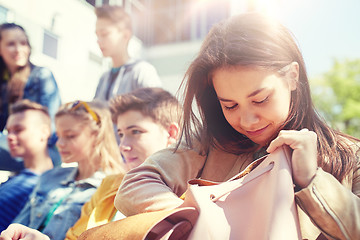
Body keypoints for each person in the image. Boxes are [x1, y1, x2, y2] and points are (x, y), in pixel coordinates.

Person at [114, 13, 360, 240]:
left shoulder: (350, 155)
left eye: (260, 99)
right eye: (230, 106)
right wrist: (200, 219)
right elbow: (135, 185)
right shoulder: (208, 145)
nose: (247, 120)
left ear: (292, 76)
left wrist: (311, 181)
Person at [0, 87, 182, 240]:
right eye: (120, 134)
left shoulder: (187, 195)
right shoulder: (110, 186)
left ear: (171, 134)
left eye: (135, 132)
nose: (124, 145)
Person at [9, 100, 123, 240]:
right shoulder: (49, 177)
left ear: (97, 134)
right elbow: (18, 225)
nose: (59, 144)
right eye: (58, 136)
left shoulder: (110, 191)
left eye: (70, 136)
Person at [0, 22, 62, 170]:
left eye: (23, 43)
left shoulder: (42, 76)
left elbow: (53, 129)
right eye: (11, 44)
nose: (19, 49)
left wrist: (20, 139)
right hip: (16, 149)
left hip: (45, 153)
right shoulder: (4, 83)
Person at [0, 100, 54, 232]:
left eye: (18, 130)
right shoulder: (18, 178)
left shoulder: (49, 187)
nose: (10, 137)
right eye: (8, 131)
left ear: (44, 132)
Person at [93, 5, 162, 102]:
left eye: (104, 34)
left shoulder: (141, 71)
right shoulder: (104, 78)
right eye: (97, 35)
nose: (98, 40)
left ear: (125, 35)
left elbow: (159, 109)